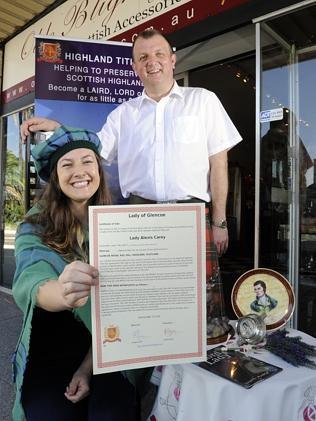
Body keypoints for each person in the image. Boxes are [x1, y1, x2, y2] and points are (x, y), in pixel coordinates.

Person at [21, 29, 242, 341]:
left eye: (158, 54)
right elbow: (92, 147)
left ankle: (196, 375)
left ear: (173, 60)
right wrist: (59, 128)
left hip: (191, 215)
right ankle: (152, 372)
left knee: (200, 304)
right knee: (147, 300)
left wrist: (219, 222)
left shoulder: (203, 101)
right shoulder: (123, 114)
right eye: (143, 57)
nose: (152, 62)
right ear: (136, 67)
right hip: (140, 214)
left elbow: (219, 165)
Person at [12, 126, 138, 421]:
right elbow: (31, 278)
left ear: (98, 170)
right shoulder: (35, 225)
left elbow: (122, 308)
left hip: (108, 347)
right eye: (67, 164)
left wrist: (87, 367)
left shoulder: (119, 225)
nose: (79, 171)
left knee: (111, 414)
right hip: (52, 348)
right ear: (55, 177)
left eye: (87, 161)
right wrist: (63, 291)